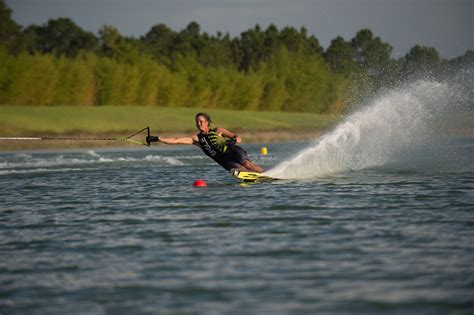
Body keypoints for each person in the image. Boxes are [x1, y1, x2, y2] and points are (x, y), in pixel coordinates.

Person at [146, 112, 264, 173]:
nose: (199, 124)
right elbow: (176, 140)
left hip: (233, 151)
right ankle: (253, 178)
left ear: (207, 122)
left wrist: (235, 140)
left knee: (247, 165)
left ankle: (266, 175)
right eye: (197, 122)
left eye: (201, 121)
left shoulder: (218, 130)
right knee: (239, 171)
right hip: (223, 160)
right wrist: (158, 139)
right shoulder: (196, 139)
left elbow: (237, 137)